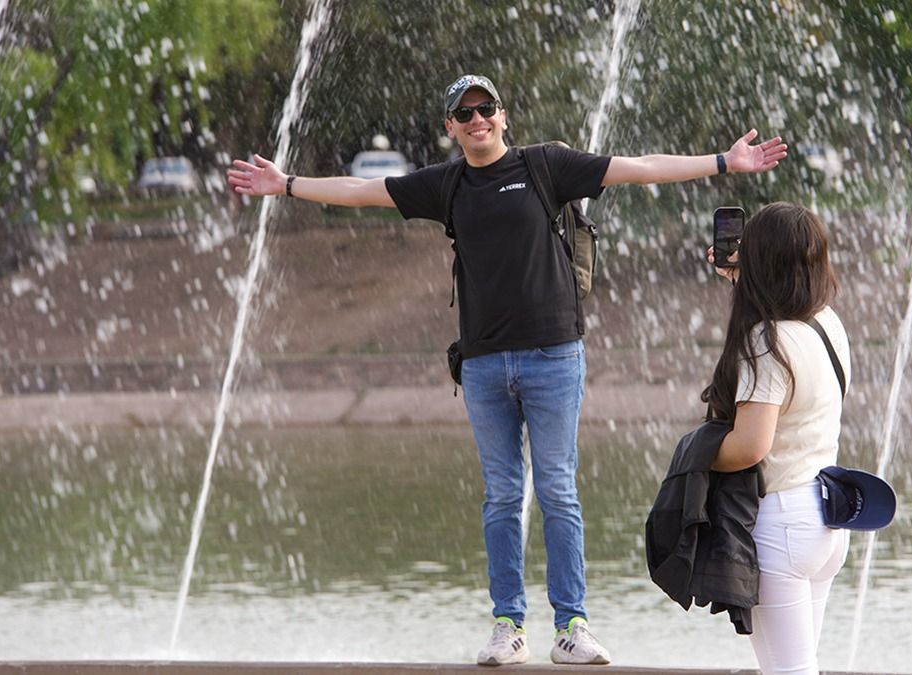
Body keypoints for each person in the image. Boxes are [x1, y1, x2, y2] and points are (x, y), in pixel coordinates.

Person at [227, 73, 789, 666]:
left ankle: (572, 625)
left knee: (559, 492)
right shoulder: (447, 185)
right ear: (450, 128)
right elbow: (363, 190)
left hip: (554, 359)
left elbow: (640, 167)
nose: (477, 121)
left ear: (503, 114)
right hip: (485, 367)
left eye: (485, 109)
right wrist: (286, 184)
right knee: (500, 497)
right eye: (463, 114)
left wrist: (724, 163)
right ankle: (507, 626)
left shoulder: (546, 165)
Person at [702, 202, 849, 675]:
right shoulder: (826, 322)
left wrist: (696, 457)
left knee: (788, 673)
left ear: (762, 262)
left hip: (781, 522)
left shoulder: (765, 344)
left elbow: (750, 446)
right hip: (826, 517)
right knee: (800, 666)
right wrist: (741, 281)